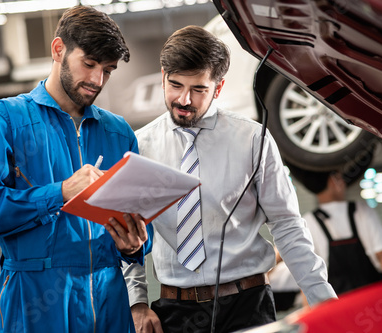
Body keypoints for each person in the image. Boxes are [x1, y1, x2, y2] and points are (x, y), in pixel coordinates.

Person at [122, 25, 337, 333]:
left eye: (198, 89)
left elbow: (287, 226)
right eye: (175, 85)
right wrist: (136, 302)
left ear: (218, 88)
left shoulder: (253, 140)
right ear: (162, 76)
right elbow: (127, 236)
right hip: (174, 312)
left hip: (247, 307)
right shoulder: (140, 146)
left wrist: (325, 303)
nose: (183, 99)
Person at [0, 6, 149, 333]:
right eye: (88, 64)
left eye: (107, 70)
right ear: (58, 49)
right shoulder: (3, 120)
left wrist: (135, 246)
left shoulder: (119, 134)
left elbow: (136, 225)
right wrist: (59, 193)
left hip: (109, 304)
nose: (96, 80)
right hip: (34, 303)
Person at [293, 168, 382, 296]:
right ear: (333, 181)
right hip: (374, 300)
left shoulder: (307, 222)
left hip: (337, 309)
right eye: (339, 177)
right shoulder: (362, 210)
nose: (343, 182)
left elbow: (309, 277)